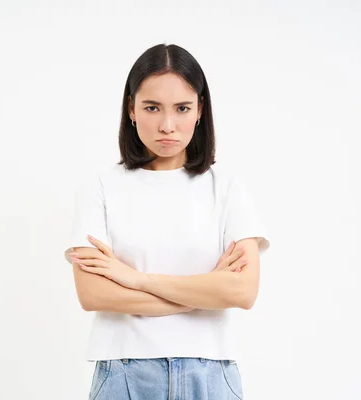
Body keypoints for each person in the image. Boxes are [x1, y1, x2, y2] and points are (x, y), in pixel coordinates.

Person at [64, 43, 270, 400]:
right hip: (124, 375)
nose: (167, 125)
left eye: (182, 108)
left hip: (210, 376)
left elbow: (242, 291)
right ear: (131, 109)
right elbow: (93, 293)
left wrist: (136, 279)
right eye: (152, 107)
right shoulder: (100, 186)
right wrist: (202, 295)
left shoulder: (227, 187)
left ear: (200, 111)